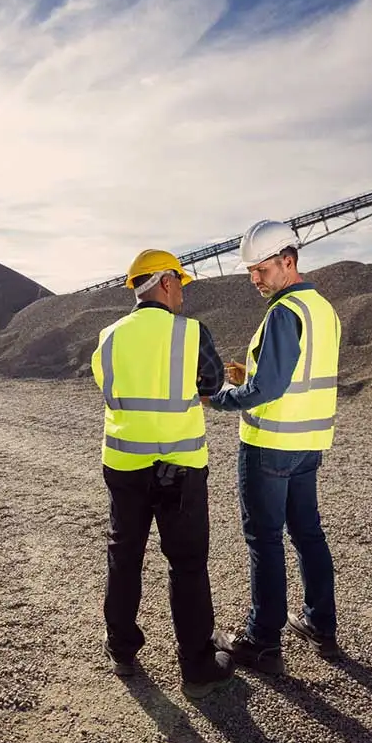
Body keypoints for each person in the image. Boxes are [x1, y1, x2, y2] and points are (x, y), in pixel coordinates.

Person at [91, 248, 235, 701]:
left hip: (124, 462)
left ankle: (122, 649)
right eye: (181, 287)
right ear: (167, 283)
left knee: (124, 554)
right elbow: (211, 387)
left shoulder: (109, 337)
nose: (183, 297)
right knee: (187, 564)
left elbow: (108, 386)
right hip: (180, 466)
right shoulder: (191, 334)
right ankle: (196, 665)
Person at [207, 220, 343, 674]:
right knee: (308, 533)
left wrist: (222, 397)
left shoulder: (285, 312)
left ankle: (262, 640)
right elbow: (296, 377)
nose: (254, 280)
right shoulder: (323, 310)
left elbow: (268, 389)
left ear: (289, 261)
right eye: (250, 271)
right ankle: (320, 624)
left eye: (261, 270)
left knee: (265, 541)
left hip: (270, 445)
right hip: (308, 443)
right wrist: (254, 378)